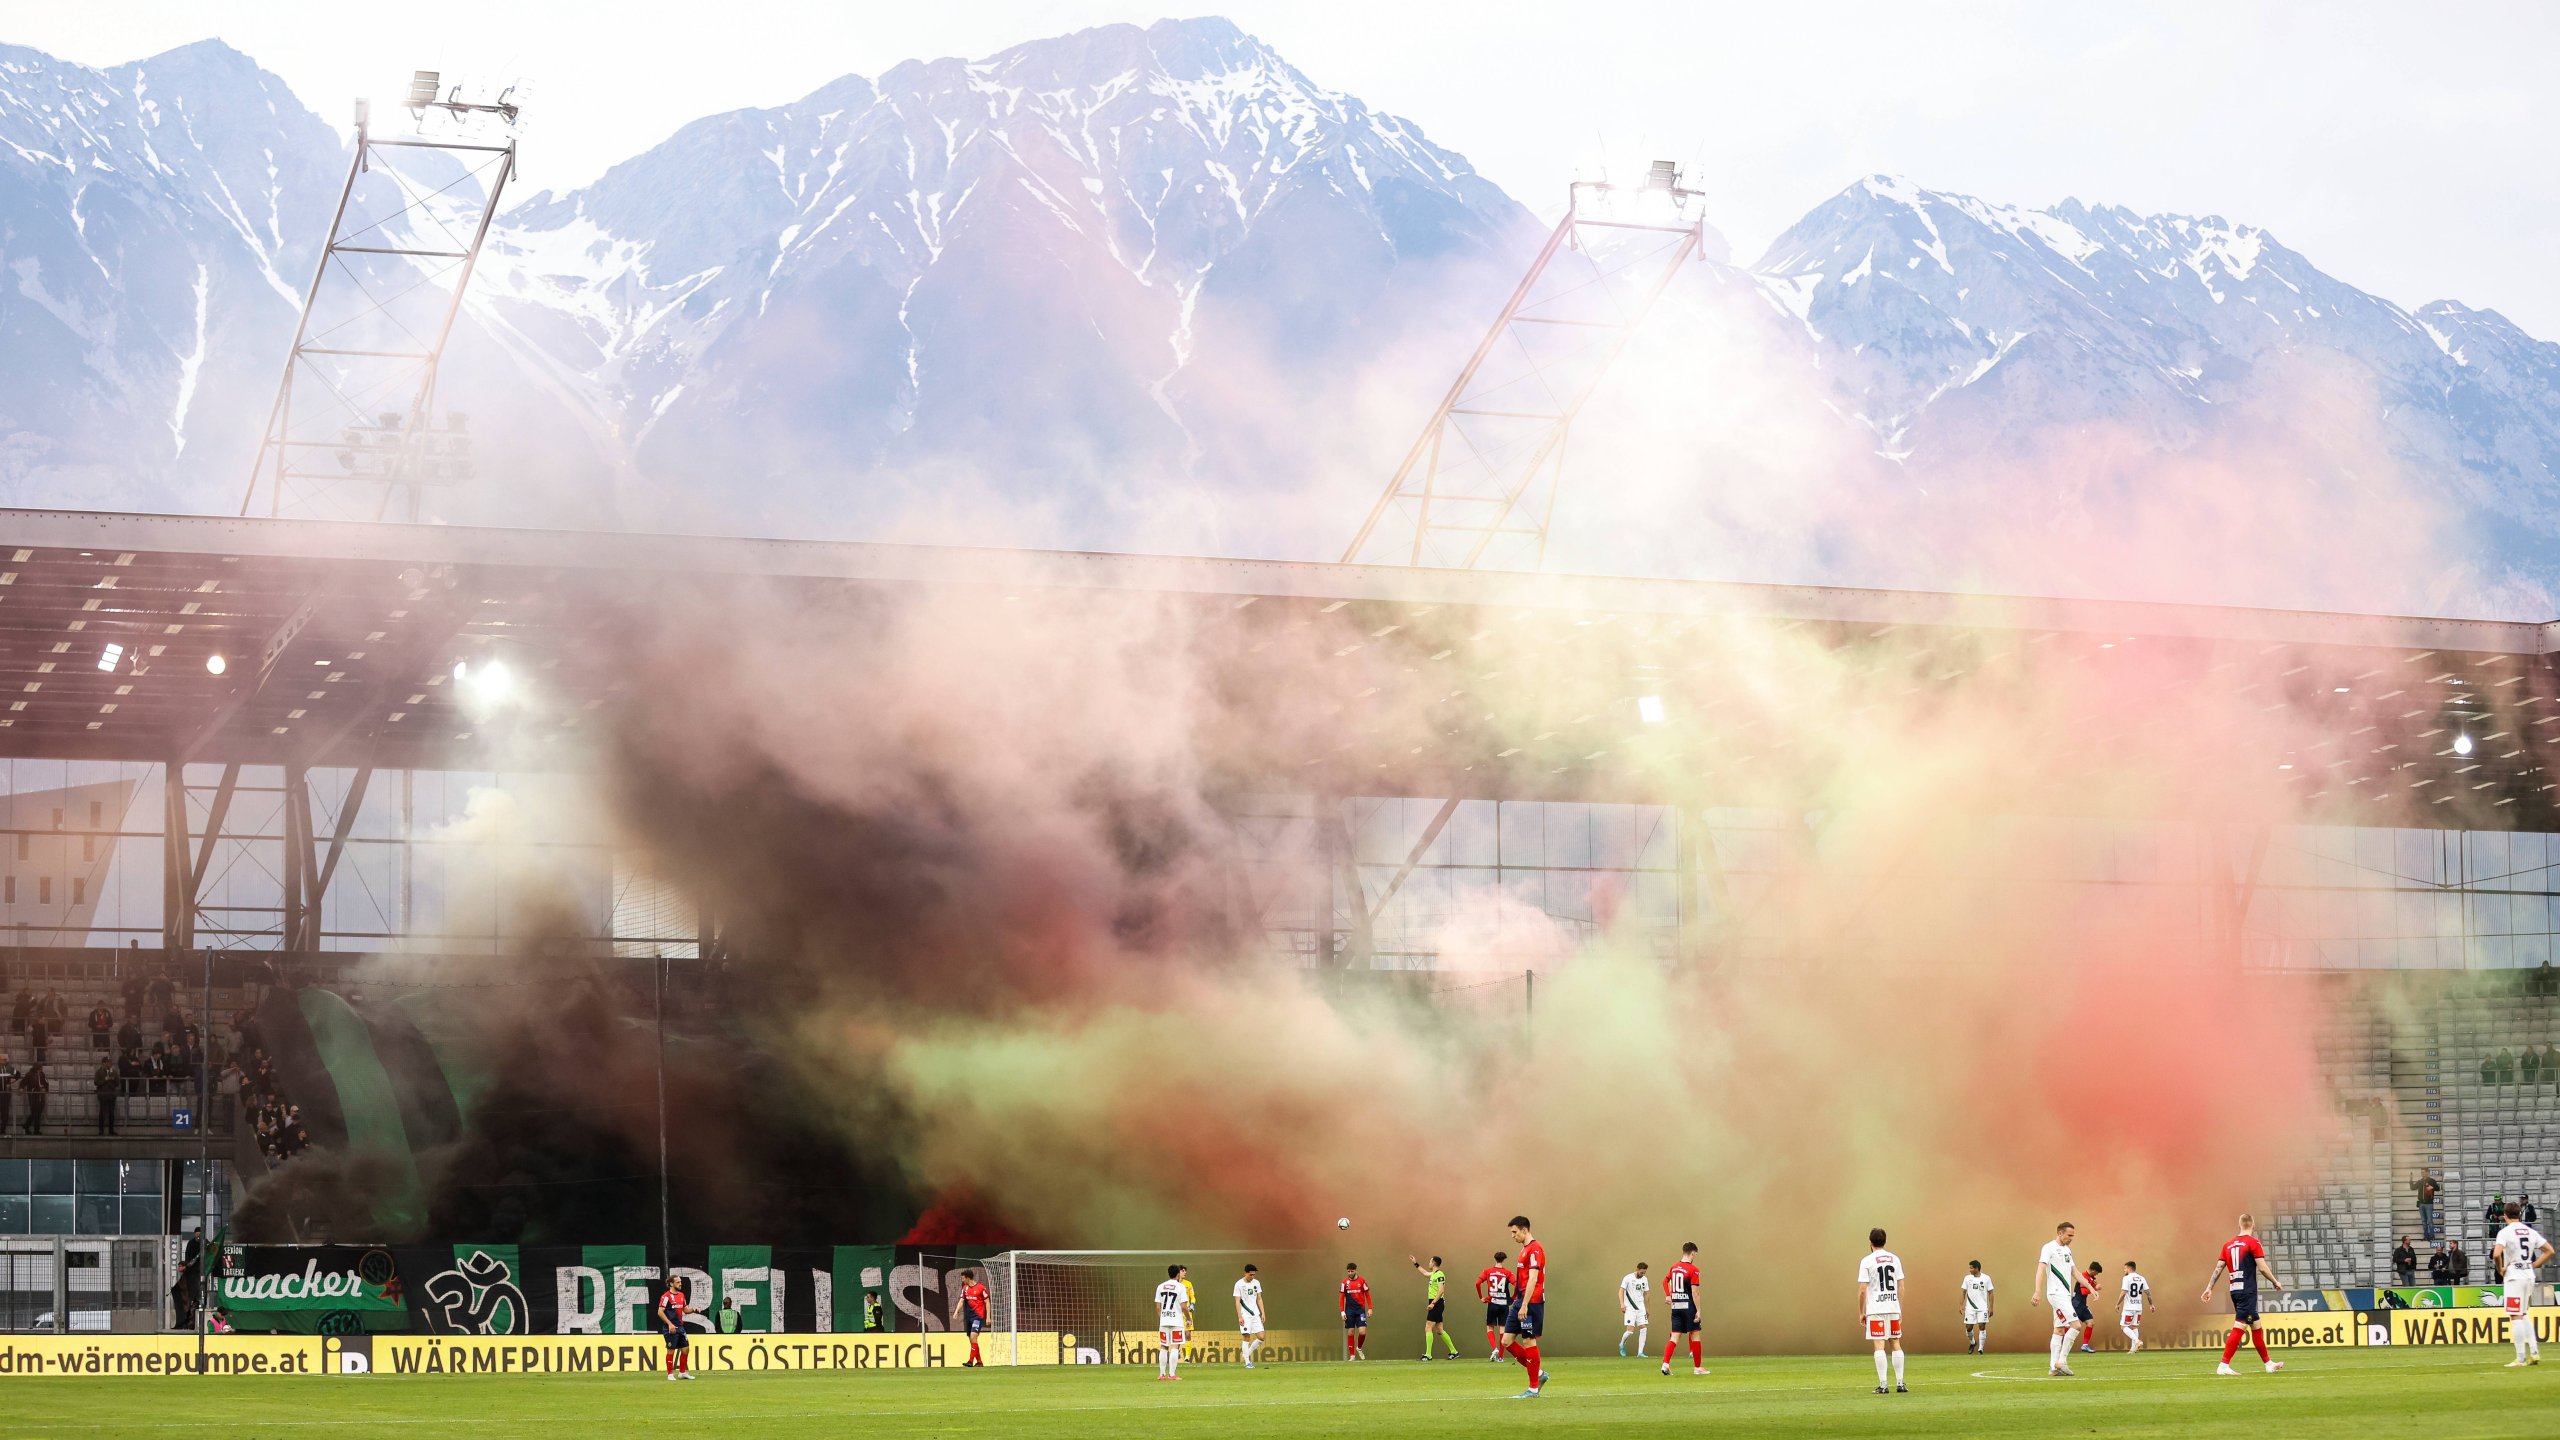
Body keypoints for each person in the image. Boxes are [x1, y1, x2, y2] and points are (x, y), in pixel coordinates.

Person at [2200, 1212, 2286, 1376]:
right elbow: (2262, 1267)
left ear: (2239, 1225)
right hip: (2247, 1291)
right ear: (2253, 1225)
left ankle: (2268, 1364)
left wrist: (2209, 1287)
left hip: (2235, 1289)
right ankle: (2223, 1365)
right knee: (2240, 1325)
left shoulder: (2228, 1245)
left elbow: (2219, 1268)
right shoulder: (2253, 1242)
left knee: (2256, 1325)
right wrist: (2275, 1281)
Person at [2490, 1200, 2552, 1368]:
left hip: (2514, 1277)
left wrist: (2501, 1269)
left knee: (2515, 1315)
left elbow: (2496, 1254)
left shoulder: (2505, 1232)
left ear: (2505, 1215)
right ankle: (2534, 1352)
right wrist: (2534, 1265)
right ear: (2519, 1214)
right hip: (2528, 1276)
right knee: (2523, 1313)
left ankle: (2520, 1358)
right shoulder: (2530, 1231)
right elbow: (2549, 1251)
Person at [1499, 1216, 1549, 1398]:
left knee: (1529, 1341)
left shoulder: (1535, 1249)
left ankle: (1533, 1388)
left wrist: (1525, 1304)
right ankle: (1539, 1374)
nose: (1512, 1236)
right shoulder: (1524, 1250)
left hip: (1532, 1302)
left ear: (1524, 1230)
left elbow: (1534, 1279)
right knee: (1506, 1341)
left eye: (1514, 1232)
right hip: (1520, 1301)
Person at [1858, 1228, 1908, 1395]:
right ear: (1885, 1241)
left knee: (1879, 1345)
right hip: (1893, 1307)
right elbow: (1901, 1286)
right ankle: (1900, 1383)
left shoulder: (1867, 1261)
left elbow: (1863, 1290)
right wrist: (1899, 1308)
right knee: (1895, 1343)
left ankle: (1883, 1385)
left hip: (1876, 1309)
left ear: (1870, 1242)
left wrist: (1861, 1312)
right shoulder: (1895, 1259)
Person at [2036, 1221, 2085, 1376]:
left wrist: (2090, 1288)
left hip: (2064, 1295)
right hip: (2056, 1294)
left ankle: (2053, 1368)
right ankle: (2062, 1361)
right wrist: (2037, 1291)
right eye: (2069, 1235)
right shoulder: (2048, 1248)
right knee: (2076, 1326)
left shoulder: (2067, 1250)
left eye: (2073, 1236)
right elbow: (2041, 1269)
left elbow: (2075, 1272)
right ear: (2060, 1233)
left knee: (2058, 1330)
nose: (2071, 1238)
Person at [1660, 1242, 1705, 1376]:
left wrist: (1668, 1295)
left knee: (1674, 1336)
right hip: (1688, 1306)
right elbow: (1695, 1292)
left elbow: (1664, 1281)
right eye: (1695, 1254)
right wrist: (1698, 1310)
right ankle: (1697, 1368)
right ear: (1693, 1253)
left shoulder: (1674, 1267)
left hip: (1676, 1307)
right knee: (1695, 1334)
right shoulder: (1694, 1270)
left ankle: (1665, 1364)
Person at [1410, 1254, 1459, 1359]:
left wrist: (1433, 1303)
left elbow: (1441, 1290)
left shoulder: (1440, 1274)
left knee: (1428, 1327)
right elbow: (1425, 1273)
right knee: (1440, 1330)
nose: (1429, 1263)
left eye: (1430, 1261)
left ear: (1433, 1263)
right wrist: (1415, 1263)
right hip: (1436, 1303)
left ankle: (1428, 1355)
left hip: (1437, 1303)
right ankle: (1454, 1351)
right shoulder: (1434, 1274)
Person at [1152, 1264, 1191, 1382]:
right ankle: (1172, 1374)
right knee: (1175, 1346)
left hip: (1164, 1321)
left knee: (1163, 1346)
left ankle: (1162, 1374)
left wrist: (1162, 1317)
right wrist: (1188, 1318)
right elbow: (1184, 1306)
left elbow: (1158, 1307)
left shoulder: (1160, 1287)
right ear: (1178, 1274)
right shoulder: (1181, 1287)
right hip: (1176, 1321)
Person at [1476, 1251, 1514, 1360]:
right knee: (1503, 1329)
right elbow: (1516, 1284)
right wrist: (1513, 1297)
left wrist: (1481, 1297)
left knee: (1490, 1327)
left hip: (1492, 1303)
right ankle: (1501, 1357)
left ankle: (1494, 1348)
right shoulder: (1508, 1273)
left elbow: (1477, 1283)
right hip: (1504, 1304)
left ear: (1495, 1259)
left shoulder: (1488, 1271)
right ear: (1504, 1260)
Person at [656, 1278, 694, 1380]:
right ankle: (670, 1374)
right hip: (670, 1328)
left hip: (680, 1327)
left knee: (686, 1349)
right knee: (671, 1351)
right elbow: (660, 1312)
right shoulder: (666, 1297)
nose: (680, 1284)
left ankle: (682, 1372)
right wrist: (669, 1324)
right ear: (671, 1284)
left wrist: (694, 1310)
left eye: (680, 1282)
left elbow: (685, 1310)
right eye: (678, 1282)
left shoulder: (681, 1295)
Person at [1233, 1262, 1265, 1369]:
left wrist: (1263, 1312)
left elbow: (1259, 1298)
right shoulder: (1239, 1284)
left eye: (1254, 1275)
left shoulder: (1256, 1283)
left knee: (1261, 1337)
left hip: (1255, 1314)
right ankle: (1247, 1362)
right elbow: (1237, 1301)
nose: (1252, 1276)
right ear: (1245, 1273)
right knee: (1246, 1337)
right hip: (1245, 1315)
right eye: (1250, 1274)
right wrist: (1239, 1316)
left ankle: (1246, 1353)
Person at [958, 1267, 991, 1367]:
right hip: (969, 1318)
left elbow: (987, 1302)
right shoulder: (965, 1288)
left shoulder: (981, 1288)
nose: (962, 1280)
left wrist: (988, 1317)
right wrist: (956, 1311)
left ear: (968, 1278)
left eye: (963, 1278)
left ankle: (970, 1361)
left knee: (973, 1337)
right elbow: (961, 1300)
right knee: (972, 1340)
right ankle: (979, 1362)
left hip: (978, 1316)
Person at [1338, 1262, 1371, 1360]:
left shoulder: (1362, 1281)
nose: (1350, 1273)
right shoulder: (1344, 1282)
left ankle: (1359, 1348)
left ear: (1356, 1270)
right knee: (1350, 1332)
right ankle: (1352, 1356)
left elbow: (1367, 1295)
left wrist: (1370, 1308)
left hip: (1360, 1310)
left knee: (1362, 1332)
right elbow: (1341, 1298)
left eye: (1352, 1271)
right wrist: (1342, 1311)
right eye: (1348, 1271)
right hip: (1349, 1311)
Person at [1961, 1260, 1995, 1355]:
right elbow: (1963, 1292)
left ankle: (1980, 1349)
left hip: (1982, 1307)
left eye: (1971, 1268)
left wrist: (1991, 1307)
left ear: (1976, 1268)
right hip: (1970, 1307)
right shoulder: (1967, 1278)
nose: (1970, 1270)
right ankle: (1973, 1342)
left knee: (1982, 1326)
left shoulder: (1986, 1278)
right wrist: (1961, 1305)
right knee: (1968, 1327)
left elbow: (1991, 1293)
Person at [1617, 1260, 1649, 1358]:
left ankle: (1640, 1352)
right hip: (1630, 1307)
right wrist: (1622, 1304)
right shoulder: (1628, 1278)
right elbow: (1621, 1291)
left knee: (1644, 1328)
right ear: (1637, 1269)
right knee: (1630, 1331)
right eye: (1641, 1272)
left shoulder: (1645, 1279)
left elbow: (1647, 1294)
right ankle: (1622, 1344)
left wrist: (1647, 1309)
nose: (1642, 1274)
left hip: (1641, 1307)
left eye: (1644, 1273)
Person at [2119, 1261, 2151, 1354]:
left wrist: (2117, 1304)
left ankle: (2137, 1341)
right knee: (2134, 1326)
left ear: (2129, 1268)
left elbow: (2123, 1292)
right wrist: (2151, 1304)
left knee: (2123, 1326)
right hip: (2138, 1307)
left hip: (2129, 1307)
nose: (2124, 1270)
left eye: (2125, 1268)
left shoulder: (2126, 1278)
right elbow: (2148, 1293)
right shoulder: (2142, 1278)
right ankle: (2133, 1349)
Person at [2074, 1262, 2103, 1352]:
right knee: (2072, 1325)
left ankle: (2085, 1345)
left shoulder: (2091, 1278)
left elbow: (2091, 1288)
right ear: (2093, 1270)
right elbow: (2083, 1292)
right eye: (2097, 1272)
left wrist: (2095, 1285)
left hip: (2082, 1304)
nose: (2097, 1274)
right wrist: (2095, 1288)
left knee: (2090, 1323)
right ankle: (2061, 1343)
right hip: (2076, 1303)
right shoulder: (2083, 1276)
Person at [19, 1059, 46, 1135]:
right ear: (38, 1067)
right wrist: (21, 1088)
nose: (42, 1068)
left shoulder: (42, 1074)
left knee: (38, 1114)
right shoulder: (29, 1074)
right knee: (34, 1113)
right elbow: (23, 1082)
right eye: (41, 1067)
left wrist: (45, 1089)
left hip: (41, 1097)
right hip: (33, 1097)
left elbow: (46, 1083)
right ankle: (27, 1126)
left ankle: (35, 1130)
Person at [90, 1056, 115, 1136]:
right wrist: (105, 1080)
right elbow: (96, 1082)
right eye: (108, 1062)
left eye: (110, 1062)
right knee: (102, 1113)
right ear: (103, 1063)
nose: (109, 1063)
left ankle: (111, 1130)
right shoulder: (99, 1072)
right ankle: (101, 1131)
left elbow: (117, 1082)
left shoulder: (113, 1071)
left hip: (111, 1094)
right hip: (103, 1095)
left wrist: (113, 1079)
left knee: (111, 1113)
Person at [2417, 1168, 2442, 1242]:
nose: (2422, 1174)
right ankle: (2426, 1236)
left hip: (2429, 1204)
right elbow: (2412, 1187)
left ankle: (2432, 1236)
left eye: (2424, 1172)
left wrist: (2432, 1187)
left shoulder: (2432, 1180)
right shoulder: (2420, 1181)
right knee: (2424, 1222)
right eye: (2421, 1172)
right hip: (2421, 1204)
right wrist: (2410, 1180)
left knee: (2430, 1221)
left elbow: (2438, 1188)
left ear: (2427, 1172)